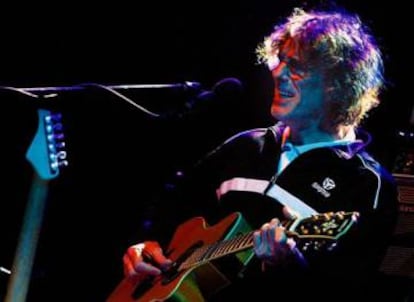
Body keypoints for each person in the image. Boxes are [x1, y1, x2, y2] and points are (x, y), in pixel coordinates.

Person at [114, 6, 400, 302]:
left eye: (297, 67)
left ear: (339, 86)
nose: (278, 73)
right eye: (281, 61)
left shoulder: (368, 184)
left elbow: (349, 291)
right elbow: (172, 199)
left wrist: (289, 267)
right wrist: (145, 243)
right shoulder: (248, 145)